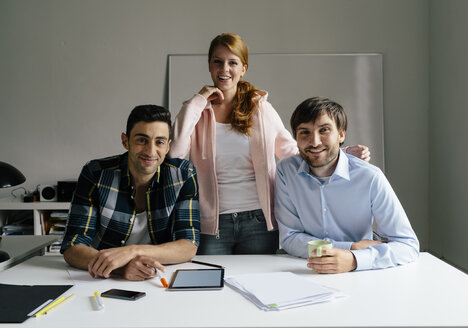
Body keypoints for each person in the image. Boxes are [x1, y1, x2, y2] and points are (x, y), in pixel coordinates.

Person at [169, 33, 369, 255]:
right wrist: (197, 100)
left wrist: (340, 154)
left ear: (243, 68)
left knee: (259, 284)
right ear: (209, 65)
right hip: (211, 223)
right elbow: (175, 154)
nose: (224, 69)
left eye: (232, 62)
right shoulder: (198, 112)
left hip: (258, 221)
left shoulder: (260, 109)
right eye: (218, 61)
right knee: (214, 286)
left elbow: (292, 151)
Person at [275, 97, 419, 273]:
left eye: (324, 130)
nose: (314, 142)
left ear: (341, 134)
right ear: (295, 137)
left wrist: (354, 260)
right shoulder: (286, 171)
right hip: (302, 269)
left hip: (361, 274)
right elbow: (290, 238)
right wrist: (351, 248)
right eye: (304, 132)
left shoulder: (370, 177)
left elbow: (408, 245)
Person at [60, 105, 200, 280]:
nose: (150, 151)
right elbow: (73, 246)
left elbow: (188, 245)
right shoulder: (95, 173)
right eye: (142, 140)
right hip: (100, 279)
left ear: (167, 146)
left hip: (160, 276)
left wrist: (133, 251)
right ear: (125, 141)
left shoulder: (184, 174)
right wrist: (122, 268)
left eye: (159, 142)